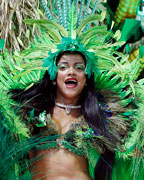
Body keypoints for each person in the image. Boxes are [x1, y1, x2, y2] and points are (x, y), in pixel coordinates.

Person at [0, 1, 143, 180]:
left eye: (79, 67)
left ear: (86, 79)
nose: (71, 71)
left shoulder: (102, 116)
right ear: (54, 76)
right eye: (63, 66)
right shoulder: (28, 112)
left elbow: (131, 145)